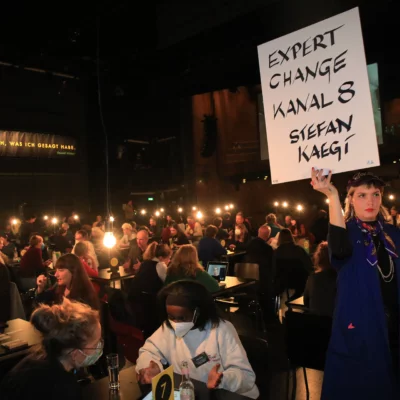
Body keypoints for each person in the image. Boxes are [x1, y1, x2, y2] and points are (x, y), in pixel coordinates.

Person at [311, 168, 400, 399]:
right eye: (362, 195)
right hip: (361, 326)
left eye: (375, 194)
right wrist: (331, 196)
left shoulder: (391, 234)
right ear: (350, 199)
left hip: (393, 325)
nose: (370, 200)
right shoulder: (346, 232)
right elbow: (339, 251)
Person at [136, 280, 259, 398]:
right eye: (171, 317)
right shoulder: (168, 328)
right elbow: (148, 350)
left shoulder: (221, 330)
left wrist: (222, 379)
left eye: (182, 318)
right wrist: (150, 367)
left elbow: (246, 377)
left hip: (228, 395)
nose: (175, 323)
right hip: (189, 394)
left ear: (197, 312)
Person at [0, 298, 102, 400]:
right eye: (96, 343)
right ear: (75, 354)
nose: (99, 346)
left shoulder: (38, 358)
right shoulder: (61, 387)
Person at [35, 253, 100, 310]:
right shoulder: (59, 286)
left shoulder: (84, 296)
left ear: (73, 272)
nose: (56, 275)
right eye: (56, 270)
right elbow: (41, 302)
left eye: (61, 270)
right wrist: (40, 287)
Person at [303, 241, 337, 317]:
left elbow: (306, 302)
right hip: (332, 324)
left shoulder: (312, 278)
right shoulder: (339, 279)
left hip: (315, 324)